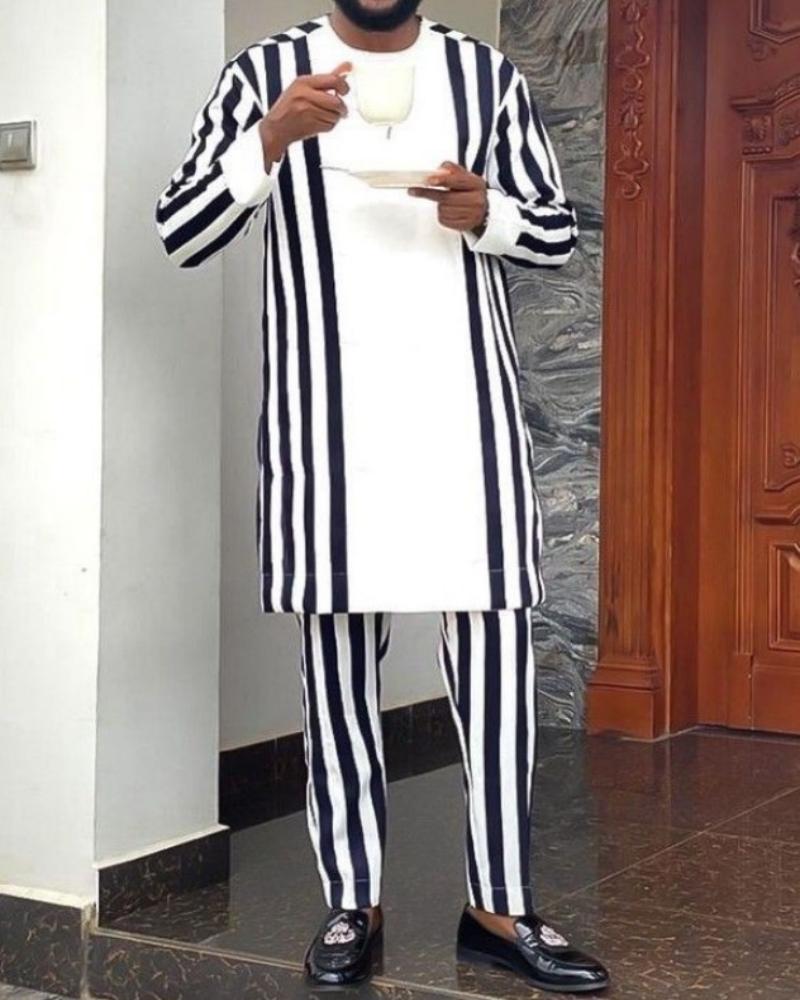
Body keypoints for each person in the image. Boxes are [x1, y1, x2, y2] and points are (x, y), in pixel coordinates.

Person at [155, 0, 609, 992]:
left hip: (465, 419)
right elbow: (180, 230)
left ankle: (500, 907)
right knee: (337, 676)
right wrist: (270, 138)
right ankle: (350, 903)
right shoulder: (264, 76)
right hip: (329, 427)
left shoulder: (485, 78)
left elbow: (555, 234)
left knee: (495, 663)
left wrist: (487, 213)